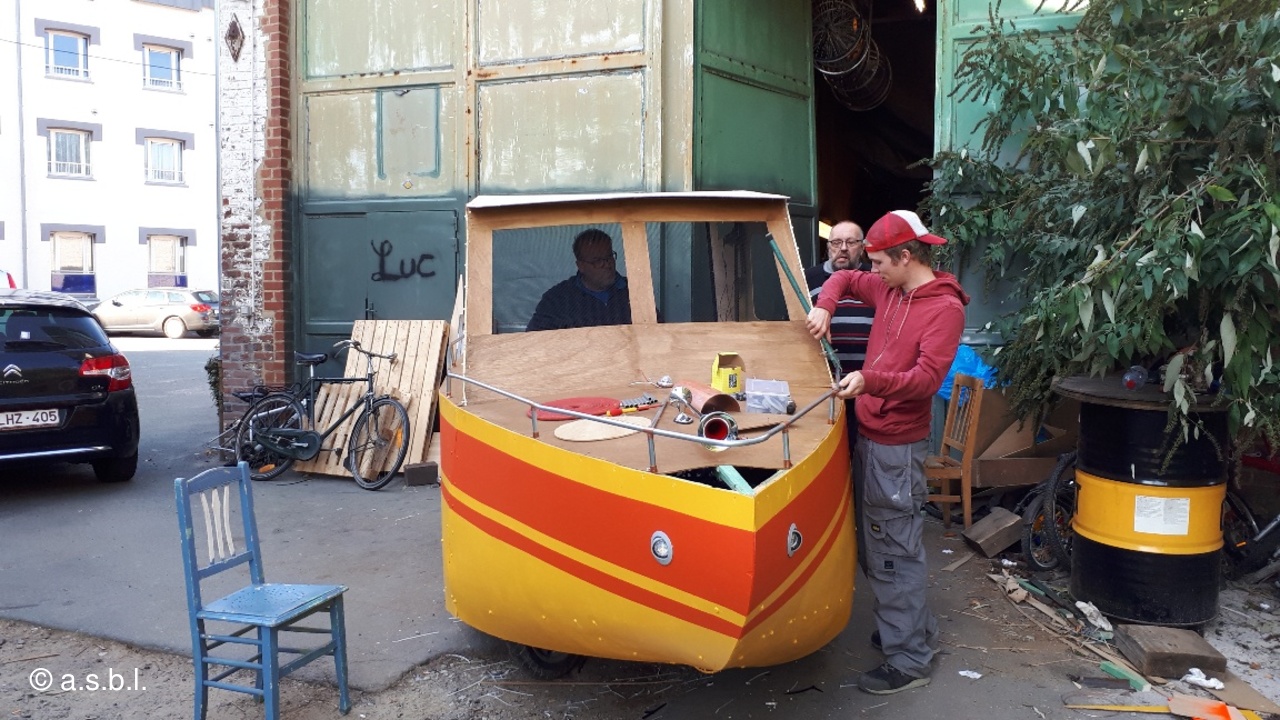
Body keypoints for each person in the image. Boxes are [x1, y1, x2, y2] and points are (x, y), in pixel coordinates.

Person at [806, 209, 969, 695]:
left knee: (894, 548)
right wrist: (825, 306)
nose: (870, 270)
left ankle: (910, 660)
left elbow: (924, 381)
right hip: (872, 435)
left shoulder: (944, 309)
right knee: (877, 541)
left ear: (905, 256)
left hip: (897, 444)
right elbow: (844, 279)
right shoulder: (889, 289)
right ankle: (909, 629)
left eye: (878, 262)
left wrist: (870, 380)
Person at [526, 229, 633, 332]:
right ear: (581, 266)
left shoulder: (634, 290)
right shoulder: (558, 299)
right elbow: (535, 339)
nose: (607, 265)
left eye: (609, 257)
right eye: (598, 261)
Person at [804, 221, 875, 375]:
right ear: (828, 246)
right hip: (823, 378)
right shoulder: (808, 278)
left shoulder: (876, 277)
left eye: (851, 242)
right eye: (836, 242)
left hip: (869, 379)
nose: (843, 248)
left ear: (862, 247)